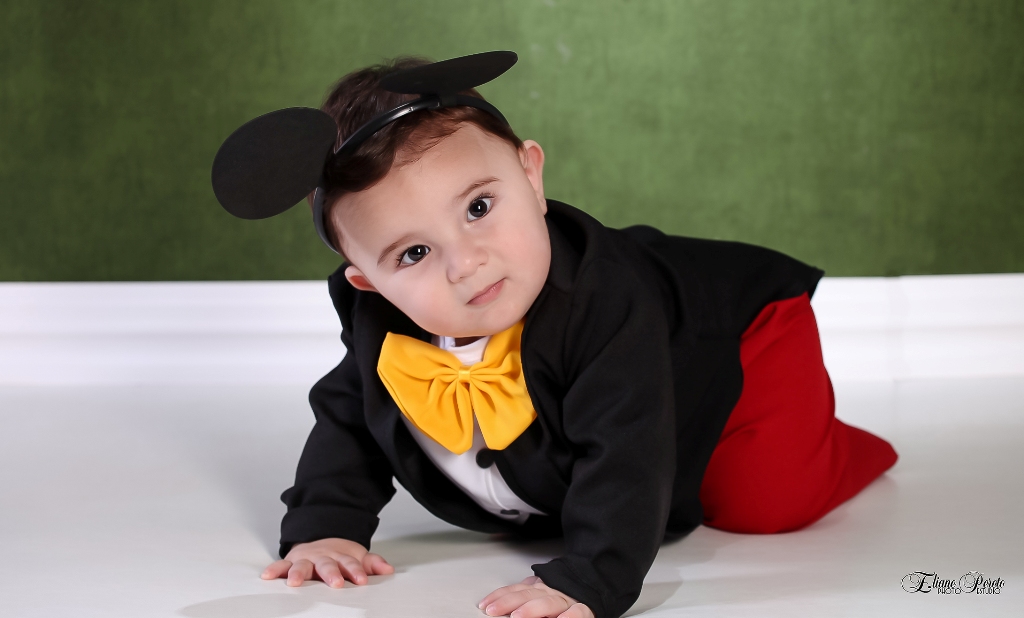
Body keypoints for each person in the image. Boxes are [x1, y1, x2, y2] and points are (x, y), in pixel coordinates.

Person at [214, 53, 898, 618]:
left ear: (532, 176)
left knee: (763, 501)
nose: (466, 262)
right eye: (413, 254)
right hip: (649, 374)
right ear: (368, 283)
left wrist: (589, 577)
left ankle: (843, 446)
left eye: (479, 207)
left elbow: (626, 448)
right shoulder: (380, 330)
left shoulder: (606, 304)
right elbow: (348, 423)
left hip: (738, 330)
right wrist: (325, 528)